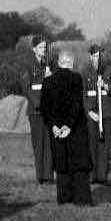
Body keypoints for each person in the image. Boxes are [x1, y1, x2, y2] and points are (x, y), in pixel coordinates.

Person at [41, 50, 94, 205]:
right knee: (79, 164)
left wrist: (54, 126)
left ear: (58, 62)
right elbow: (77, 104)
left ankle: (64, 198)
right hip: (75, 128)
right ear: (71, 62)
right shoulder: (76, 78)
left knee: (62, 164)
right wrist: (68, 126)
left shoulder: (48, 81)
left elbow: (44, 108)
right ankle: (81, 199)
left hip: (56, 129)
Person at [23, 35, 54, 184]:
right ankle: (40, 176)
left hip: (49, 109)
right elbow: (26, 87)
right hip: (36, 110)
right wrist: (37, 104)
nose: (44, 49)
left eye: (45, 47)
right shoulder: (28, 65)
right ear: (34, 49)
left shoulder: (49, 64)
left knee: (49, 142)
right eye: (41, 47)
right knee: (39, 143)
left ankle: (48, 176)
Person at [82, 45, 111, 185]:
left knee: (105, 144)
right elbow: (82, 94)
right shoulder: (84, 71)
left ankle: (103, 176)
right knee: (92, 144)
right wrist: (89, 112)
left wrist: (106, 86)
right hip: (92, 113)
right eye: (95, 56)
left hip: (106, 112)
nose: (98, 58)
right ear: (90, 56)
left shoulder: (109, 70)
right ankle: (92, 176)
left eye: (100, 56)